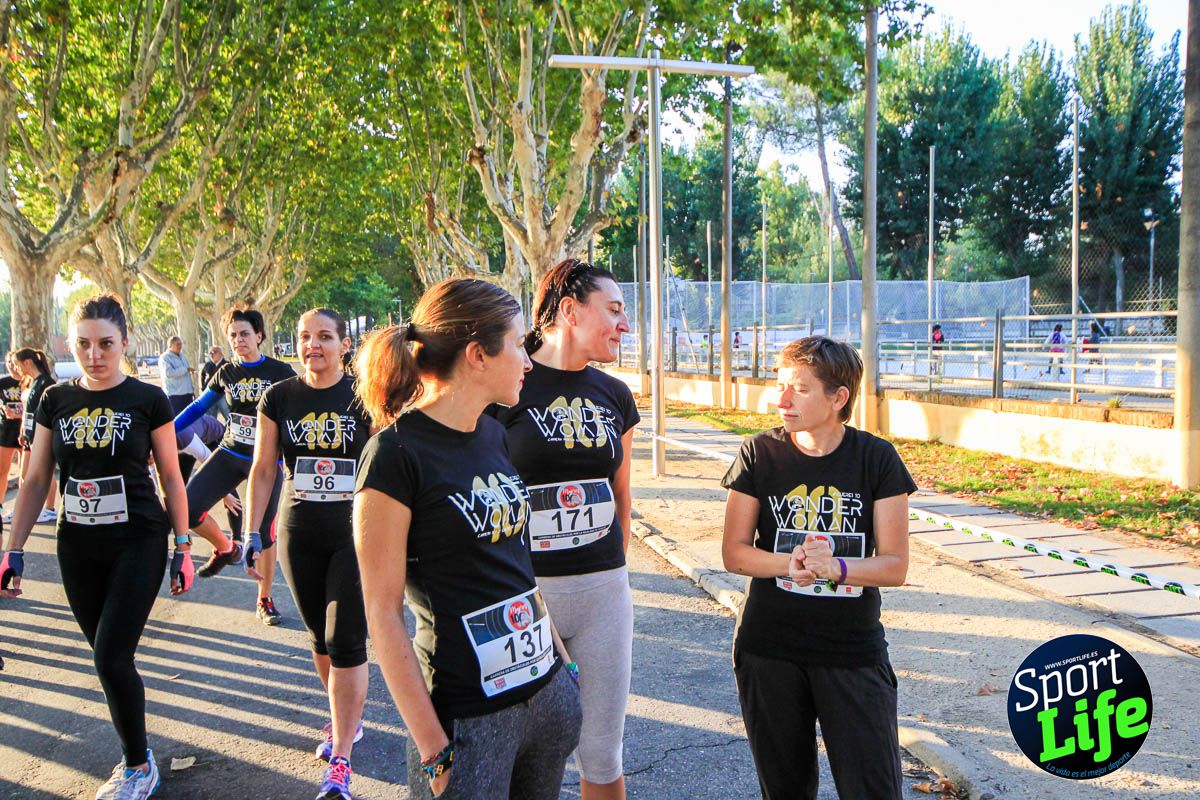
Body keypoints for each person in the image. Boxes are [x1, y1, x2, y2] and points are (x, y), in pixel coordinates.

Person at [354, 278, 581, 800]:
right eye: (520, 345)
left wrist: (564, 665)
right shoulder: (394, 455)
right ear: (478, 354)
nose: (529, 362)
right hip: (466, 718)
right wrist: (434, 751)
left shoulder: (494, 433)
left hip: (545, 696)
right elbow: (382, 613)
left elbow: (516, 564)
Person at [0, 293, 191, 800]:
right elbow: (37, 478)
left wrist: (184, 546)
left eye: (106, 344)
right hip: (77, 546)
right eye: (83, 344)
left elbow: (171, 477)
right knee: (110, 659)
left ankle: (136, 766)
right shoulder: (55, 400)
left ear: (124, 343)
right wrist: (13, 550)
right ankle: (139, 754)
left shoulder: (147, 399)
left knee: (110, 657)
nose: (94, 355)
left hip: (139, 540)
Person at [721, 336, 916, 800]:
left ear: (838, 397)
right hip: (769, 650)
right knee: (785, 789)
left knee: (873, 789)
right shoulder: (758, 454)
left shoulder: (876, 459)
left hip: (851, 652)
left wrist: (839, 569)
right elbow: (734, 552)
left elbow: (895, 565)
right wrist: (789, 563)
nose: (781, 399)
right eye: (780, 385)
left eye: (800, 389)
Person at [489, 259, 637, 800]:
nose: (625, 324)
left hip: (603, 594)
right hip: (525, 596)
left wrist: (613, 572)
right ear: (571, 311)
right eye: (615, 310)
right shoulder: (507, 384)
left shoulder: (614, 395)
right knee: (519, 757)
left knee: (601, 753)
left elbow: (622, 497)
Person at [247, 308, 371, 800]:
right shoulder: (279, 397)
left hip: (355, 532)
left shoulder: (363, 396)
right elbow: (263, 469)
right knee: (319, 635)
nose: (313, 345)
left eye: (324, 336)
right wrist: (254, 532)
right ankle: (346, 716)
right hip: (298, 528)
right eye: (304, 337)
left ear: (344, 344)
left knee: (345, 638)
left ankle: (340, 758)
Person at [172, 304, 294, 624]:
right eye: (232, 335)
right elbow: (198, 408)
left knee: (265, 534)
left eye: (244, 334)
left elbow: (300, 411)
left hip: (267, 460)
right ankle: (227, 547)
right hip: (230, 453)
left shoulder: (281, 373)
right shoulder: (226, 372)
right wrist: (165, 431)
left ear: (259, 336)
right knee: (187, 509)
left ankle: (264, 600)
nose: (238, 340)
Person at [14, 347, 58, 525]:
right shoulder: (31, 382)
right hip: (30, 434)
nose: (16, 369)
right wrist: (23, 431)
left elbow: (48, 411)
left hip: (42, 434)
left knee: (45, 471)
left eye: (17, 365)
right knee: (25, 475)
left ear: (28, 362)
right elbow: (28, 411)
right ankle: (29, 509)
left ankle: (50, 509)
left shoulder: (45, 383)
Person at [0, 353, 25, 515]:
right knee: (2, 471)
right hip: (6, 430)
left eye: (13, 362)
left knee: (26, 475)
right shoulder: (3, 382)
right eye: (8, 362)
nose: (10, 365)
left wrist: (19, 414)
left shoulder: (29, 382)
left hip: (25, 431)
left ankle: (22, 509)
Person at [159, 336, 196, 414]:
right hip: (175, 395)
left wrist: (191, 390)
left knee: (189, 418)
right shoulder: (165, 358)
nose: (180, 346)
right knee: (177, 419)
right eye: (177, 344)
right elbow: (169, 373)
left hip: (187, 394)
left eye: (181, 344)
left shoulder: (182, 356)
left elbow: (187, 374)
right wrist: (185, 369)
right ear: (170, 345)